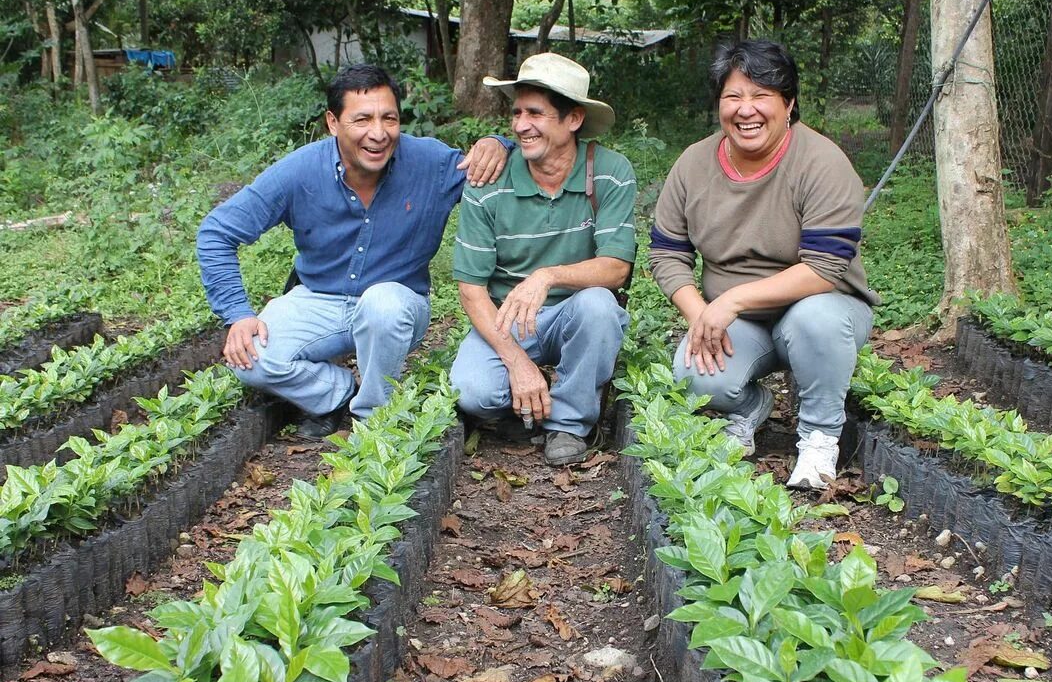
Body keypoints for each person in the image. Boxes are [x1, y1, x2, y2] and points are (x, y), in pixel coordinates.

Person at [197, 63, 508, 436]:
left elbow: (494, 164)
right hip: (319, 298)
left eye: (389, 118)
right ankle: (335, 393)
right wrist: (238, 314)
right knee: (250, 360)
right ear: (333, 122)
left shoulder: (430, 164)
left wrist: (496, 143)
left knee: (383, 305)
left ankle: (375, 415)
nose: (378, 134)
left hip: (396, 303)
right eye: (362, 120)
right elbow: (217, 232)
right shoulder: (300, 171)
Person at [649, 39, 879, 489]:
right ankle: (749, 407)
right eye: (733, 97)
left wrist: (731, 299)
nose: (746, 110)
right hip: (741, 323)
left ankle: (818, 438)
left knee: (814, 320)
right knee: (695, 378)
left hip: (824, 308)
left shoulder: (822, 163)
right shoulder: (693, 164)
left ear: (788, 104)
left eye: (761, 96)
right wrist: (701, 315)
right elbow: (667, 252)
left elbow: (824, 267)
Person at [450, 53, 637, 466]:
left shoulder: (608, 170)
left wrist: (547, 276)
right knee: (472, 392)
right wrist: (517, 363)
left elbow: (616, 268)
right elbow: (470, 289)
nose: (520, 126)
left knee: (598, 307)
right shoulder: (490, 179)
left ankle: (569, 424)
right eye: (516, 113)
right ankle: (525, 404)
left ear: (572, 120)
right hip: (508, 318)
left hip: (574, 309)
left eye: (535, 113)